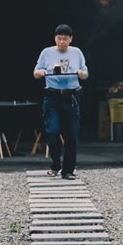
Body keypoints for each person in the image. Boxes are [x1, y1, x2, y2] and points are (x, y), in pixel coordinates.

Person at [34, 24, 89, 180]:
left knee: (71, 134)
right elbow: (36, 72)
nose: (62, 42)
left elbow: (85, 74)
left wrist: (80, 73)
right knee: (52, 131)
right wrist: (42, 72)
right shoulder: (47, 52)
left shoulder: (76, 52)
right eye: (59, 38)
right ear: (55, 38)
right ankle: (55, 164)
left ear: (70, 39)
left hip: (71, 97)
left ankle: (68, 170)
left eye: (65, 38)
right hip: (52, 96)